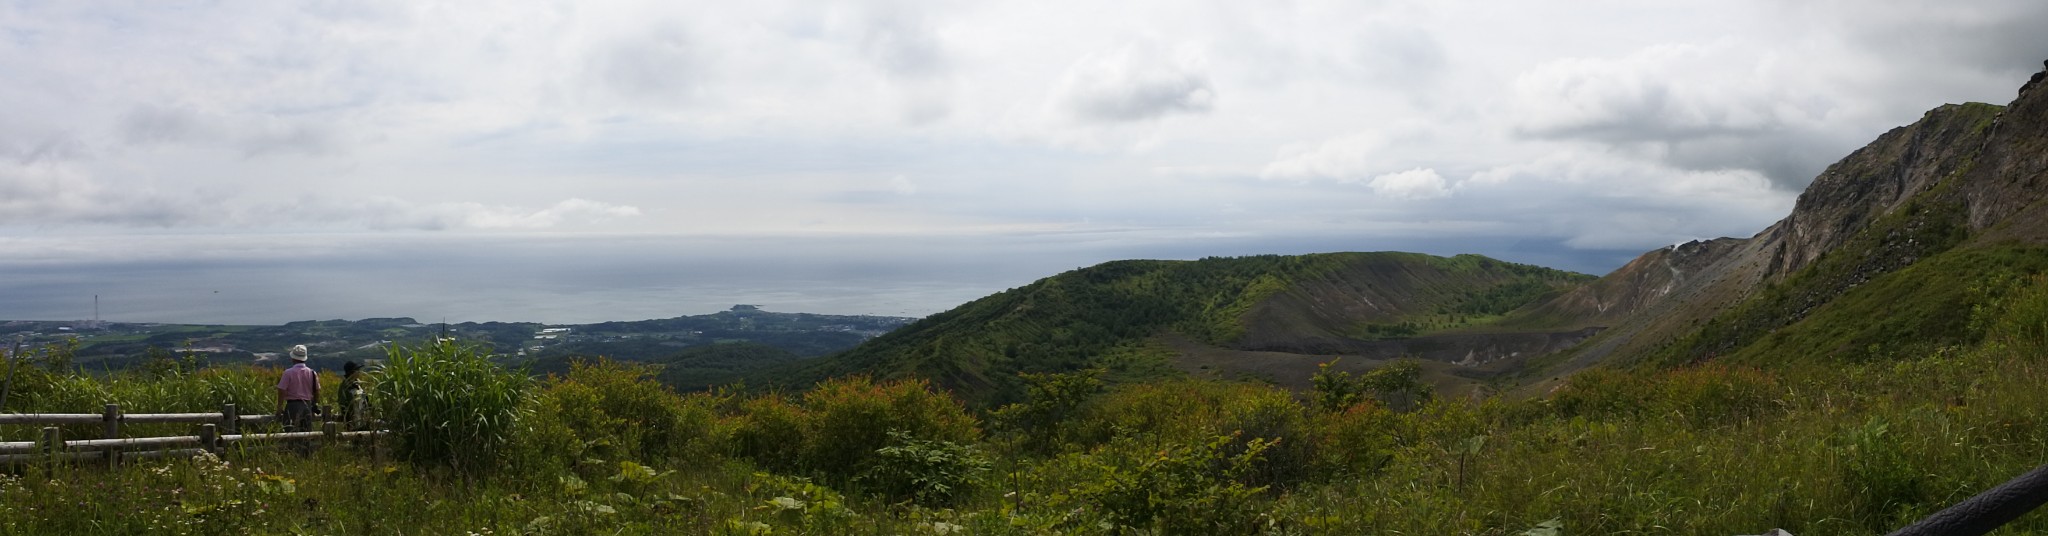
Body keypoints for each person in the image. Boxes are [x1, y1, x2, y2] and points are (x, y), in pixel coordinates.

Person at [275, 344, 321, 435]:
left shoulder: (288, 373)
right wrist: (314, 405)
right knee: (306, 434)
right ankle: (305, 449)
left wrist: (279, 407)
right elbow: (317, 391)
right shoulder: (312, 373)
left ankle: (292, 449)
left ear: (293, 358)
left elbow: (281, 390)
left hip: (292, 406)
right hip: (307, 405)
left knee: (290, 434)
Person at [338, 360, 364, 430]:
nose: (359, 372)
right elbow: (342, 403)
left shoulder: (358, 384)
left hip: (361, 417)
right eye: (357, 370)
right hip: (352, 419)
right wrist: (348, 420)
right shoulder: (344, 386)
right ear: (352, 372)